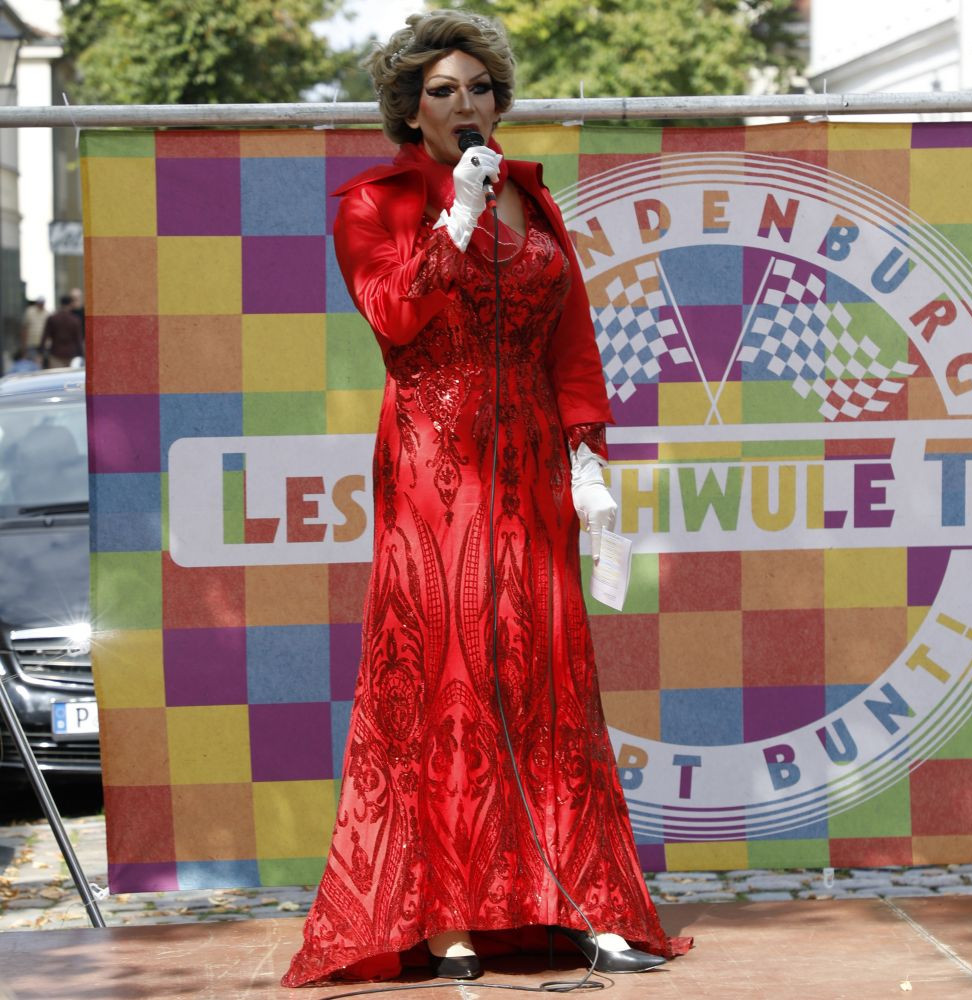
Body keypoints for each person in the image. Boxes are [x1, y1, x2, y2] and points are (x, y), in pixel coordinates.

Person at [283, 10, 692, 988]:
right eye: (443, 91)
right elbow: (392, 316)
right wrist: (453, 222)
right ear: (409, 109)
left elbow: (571, 341)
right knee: (448, 678)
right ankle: (441, 918)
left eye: (478, 87)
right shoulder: (371, 202)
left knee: (549, 680)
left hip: (531, 469)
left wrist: (587, 465)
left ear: (499, 99)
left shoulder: (535, 201)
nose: (465, 104)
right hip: (436, 463)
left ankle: (583, 902)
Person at [40, 294, 84, 369]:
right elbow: (78, 339)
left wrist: (41, 352)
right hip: (71, 354)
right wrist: (81, 354)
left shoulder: (52, 318)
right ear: (70, 304)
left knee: (56, 378)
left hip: (56, 353)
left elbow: (45, 336)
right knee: (71, 379)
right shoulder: (75, 320)